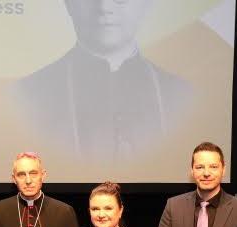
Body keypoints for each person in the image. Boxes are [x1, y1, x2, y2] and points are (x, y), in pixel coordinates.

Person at [13, 0, 191, 162]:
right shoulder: (29, 93)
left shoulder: (181, 93)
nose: (104, 7)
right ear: (69, 5)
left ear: (146, 4)